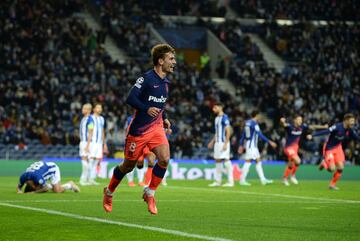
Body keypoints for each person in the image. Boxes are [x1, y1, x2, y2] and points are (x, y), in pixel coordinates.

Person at [103, 44, 176, 215]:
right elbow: (130, 98)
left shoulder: (165, 83)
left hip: (156, 127)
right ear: (160, 61)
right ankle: (108, 192)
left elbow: (160, 105)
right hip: (139, 131)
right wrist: (145, 108)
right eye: (171, 59)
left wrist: (164, 119)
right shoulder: (146, 78)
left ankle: (150, 192)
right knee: (128, 166)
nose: (174, 62)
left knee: (164, 159)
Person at [307, 113, 360, 190]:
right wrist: (313, 135)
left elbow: (356, 137)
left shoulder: (350, 130)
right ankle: (324, 163)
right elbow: (326, 131)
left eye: (353, 121)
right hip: (329, 148)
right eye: (351, 121)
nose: (353, 123)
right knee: (332, 169)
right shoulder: (337, 127)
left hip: (338, 148)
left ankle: (332, 185)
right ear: (346, 120)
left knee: (341, 168)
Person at [280, 115, 328, 186]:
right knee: (298, 161)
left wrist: (323, 127)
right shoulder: (290, 127)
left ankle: (284, 178)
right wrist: (281, 121)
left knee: (291, 163)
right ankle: (292, 176)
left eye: (301, 120)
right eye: (299, 120)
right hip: (288, 148)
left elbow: (313, 126)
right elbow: (283, 125)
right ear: (295, 120)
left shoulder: (302, 127)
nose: (300, 121)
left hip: (295, 148)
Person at [238, 110, 277, 186]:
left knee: (258, 161)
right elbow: (260, 134)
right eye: (259, 115)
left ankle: (263, 180)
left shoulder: (247, 123)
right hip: (252, 146)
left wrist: (241, 145)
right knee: (248, 162)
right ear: (257, 115)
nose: (260, 116)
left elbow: (243, 135)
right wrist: (270, 142)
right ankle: (242, 180)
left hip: (250, 145)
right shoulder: (254, 123)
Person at [207, 103, 234, 187]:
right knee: (218, 161)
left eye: (215, 107)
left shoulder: (224, 117)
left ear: (220, 107)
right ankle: (218, 181)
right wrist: (212, 141)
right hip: (217, 143)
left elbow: (228, 130)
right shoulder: (216, 118)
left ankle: (231, 181)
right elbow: (217, 132)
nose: (213, 109)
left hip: (223, 142)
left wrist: (226, 143)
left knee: (226, 160)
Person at [88, 103, 107, 185]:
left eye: (101, 107)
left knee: (96, 161)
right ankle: (87, 178)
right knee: (91, 160)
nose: (100, 109)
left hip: (99, 143)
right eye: (98, 107)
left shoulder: (102, 119)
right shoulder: (90, 118)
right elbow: (90, 130)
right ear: (94, 109)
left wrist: (104, 143)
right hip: (93, 142)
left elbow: (103, 131)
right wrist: (88, 143)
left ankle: (91, 178)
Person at [79, 103, 94, 186]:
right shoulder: (83, 118)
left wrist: (88, 144)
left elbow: (91, 132)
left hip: (86, 142)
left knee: (85, 159)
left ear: (88, 110)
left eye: (84, 108)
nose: (82, 110)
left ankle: (83, 179)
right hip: (83, 142)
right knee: (86, 160)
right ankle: (88, 179)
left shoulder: (90, 119)